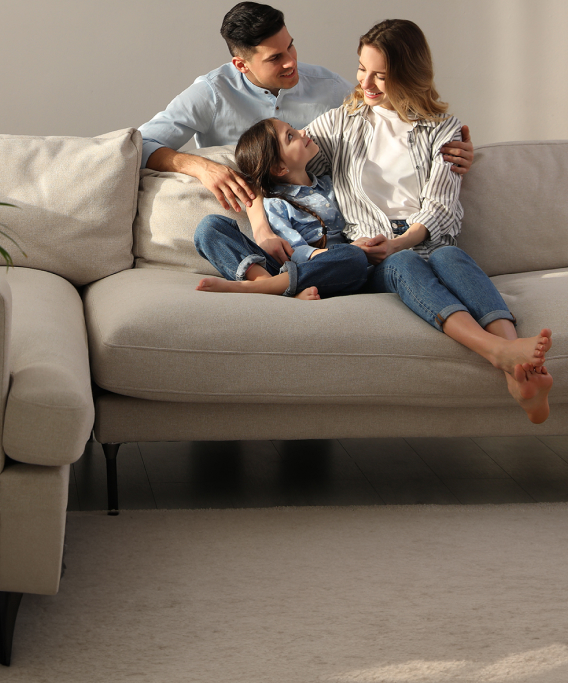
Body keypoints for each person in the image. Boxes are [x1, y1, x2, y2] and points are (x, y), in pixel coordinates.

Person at [246, 19, 553, 424]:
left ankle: (520, 369)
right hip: (374, 252)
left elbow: (441, 208)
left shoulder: (442, 130)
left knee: (450, 259)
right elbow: (266, 169)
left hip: (425, 238)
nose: (366, 84)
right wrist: (262, 226)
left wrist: (402, 239)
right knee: (405, 263)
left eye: (381, 76)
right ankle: (496, 351)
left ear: (409, 76)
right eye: (361, 69)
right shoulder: (340, 123)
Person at [138, 1, 473, 246]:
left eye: (290, 46)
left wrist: (447, 147)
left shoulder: (330, 87)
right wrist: (201, 167)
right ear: (241, 64)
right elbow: (137, 145)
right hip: (258, 220)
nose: (291, 63)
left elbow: (387, 116)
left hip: (331, 228)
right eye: (275, 58)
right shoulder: (210, 94)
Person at [193, 117, 369, 299]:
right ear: (279, 168)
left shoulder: (331, 184)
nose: (303, 132)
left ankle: (272, 289)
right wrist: (329, 253)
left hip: (331, 272)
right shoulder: (276, 203)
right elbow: (294, 251)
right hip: (289, 267)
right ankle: (267, 283)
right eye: (291, 136)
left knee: (354, 258)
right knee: (209, 227)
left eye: (294, 129)